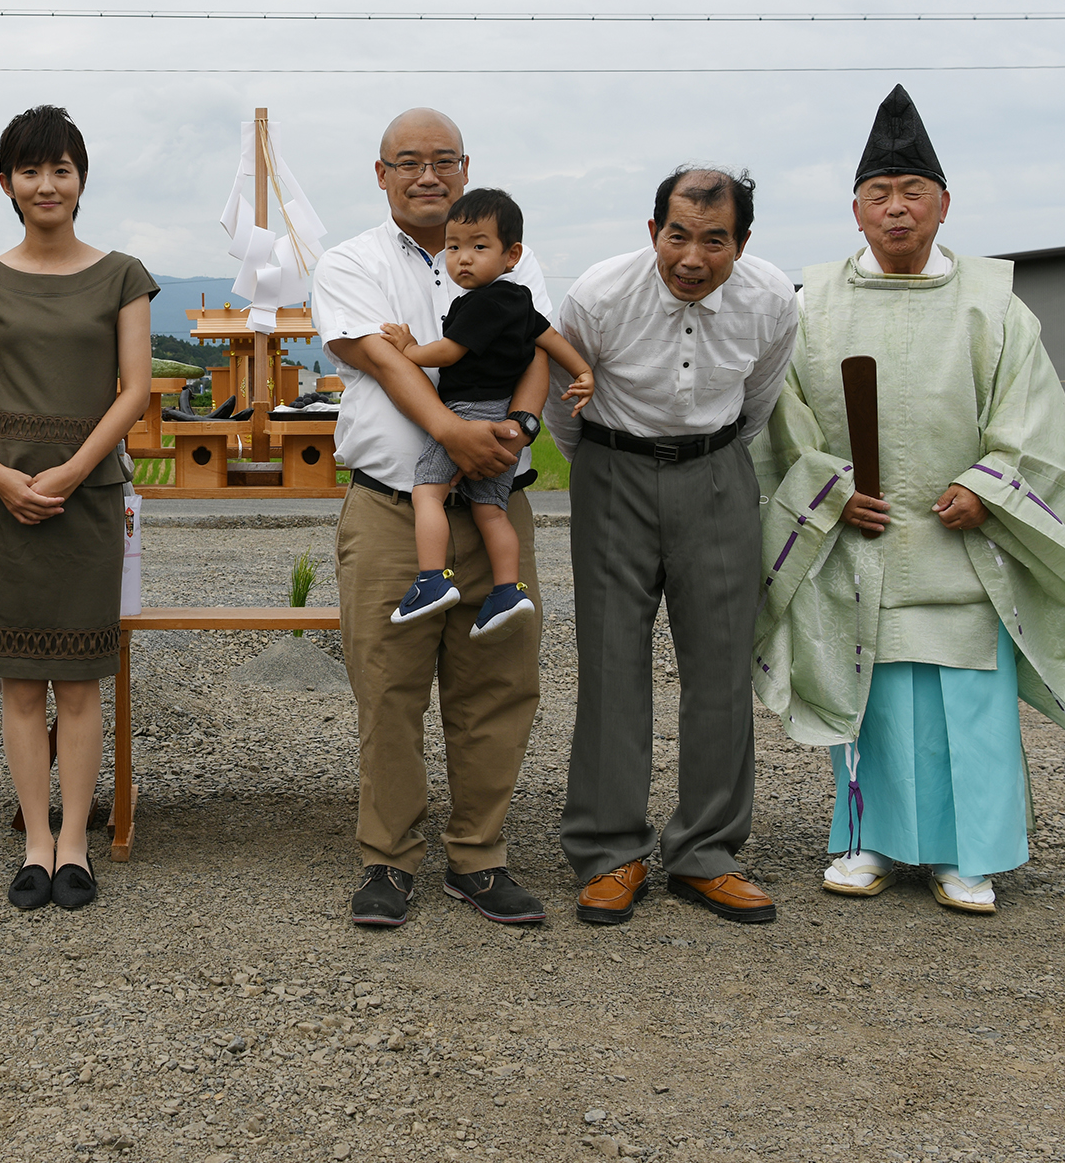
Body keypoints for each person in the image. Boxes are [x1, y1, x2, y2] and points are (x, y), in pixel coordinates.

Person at [752, 87, 1065, 912]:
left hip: (966, 546)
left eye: (913, 194)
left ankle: (970, 856)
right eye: (880, 196)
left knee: (968, 704)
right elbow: (785, 419)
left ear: (944, 205)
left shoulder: (994, 305)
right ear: (856, 210)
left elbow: (1035, 421)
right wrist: (831, 492)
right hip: (860, 541)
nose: (897, 210)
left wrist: (988, 486)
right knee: (866, 695)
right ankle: (866, 841)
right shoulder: (813, 306)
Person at [311, 110, 553, 930]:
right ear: (379, 174)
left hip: (492, 503)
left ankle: (480, 856)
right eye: (407, 162)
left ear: (466, 167)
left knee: (498, 683)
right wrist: (452, 432)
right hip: (391, 504)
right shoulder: (352, 262)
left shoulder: (517, 264)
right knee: (388, 685)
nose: (427, 175)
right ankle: (388, 857)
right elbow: (377, 356)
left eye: (443, 161)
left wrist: (517, 432)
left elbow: (539, 357)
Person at [543, 167, 798, 927]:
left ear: (741, 243)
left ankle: (707, 851)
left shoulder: (771, 299)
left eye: (714, 240)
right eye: (677, 235)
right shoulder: (599, 293)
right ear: (653, 230)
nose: (692, 256)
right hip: (611, 468)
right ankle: (608, 850)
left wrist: (710, 461)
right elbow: (566, 399)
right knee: (612, 657)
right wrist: (606, 462)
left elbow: (759, 401)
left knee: (720, 663)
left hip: (717, 473)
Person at [0, 106, 157, 914]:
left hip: (87, 492)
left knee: (78, 677)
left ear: (81, 180)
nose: (47, 185)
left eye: (61, 169)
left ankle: (76, 842)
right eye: (30, 171)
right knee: (19, 679)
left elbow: (133, 387)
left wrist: (73, 468)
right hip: (2, 494)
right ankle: (36, 840)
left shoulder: (123, 274)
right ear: (7, 183)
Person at [380, 186, 594, 635]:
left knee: (428, 493)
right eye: (454, 247)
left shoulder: (480, 303)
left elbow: (450, 353)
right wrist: (583, 372)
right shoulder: (519, 301)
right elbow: (551, 341)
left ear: (511, 254)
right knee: (491, 512)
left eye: (479, 247)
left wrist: (410, 348)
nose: (463, 258)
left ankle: (431, 579)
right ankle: (506, 590)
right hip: (504, 415)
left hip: (470, 411)